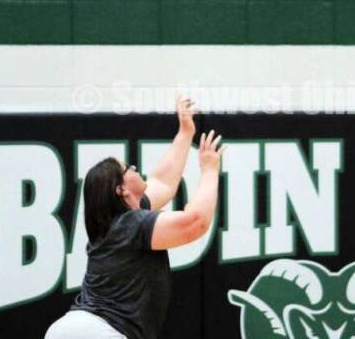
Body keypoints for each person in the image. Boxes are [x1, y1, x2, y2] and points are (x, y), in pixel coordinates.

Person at [45, 96, 223, 339]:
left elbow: (163, 181)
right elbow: (196, 222)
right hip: (99, 332)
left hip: (70, 328)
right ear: (121, 189)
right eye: (128, 168)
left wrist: (185, 132)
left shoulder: (119, 223)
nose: (135, 167)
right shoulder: (132, 225)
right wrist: (210, 170)